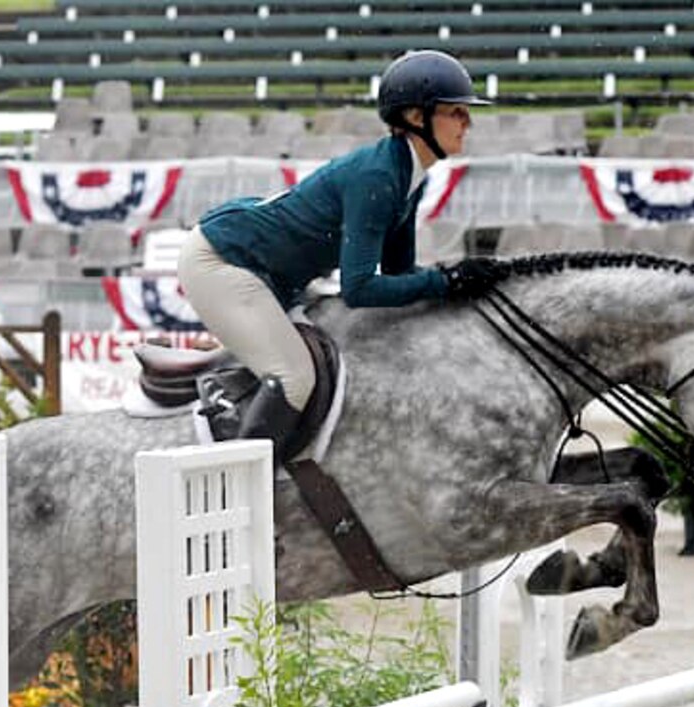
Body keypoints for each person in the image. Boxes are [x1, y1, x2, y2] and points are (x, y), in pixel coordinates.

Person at [176, 49, 510, 457]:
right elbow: (359, 288)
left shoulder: (410, 178)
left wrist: (453, 279)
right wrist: (446, 281)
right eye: (456, 112)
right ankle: (235, 485)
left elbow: (400, 272)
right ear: (416, 117)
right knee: (295, 378)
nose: (468, 122)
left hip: (269, 274)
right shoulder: (378, 176)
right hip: (221, 261)